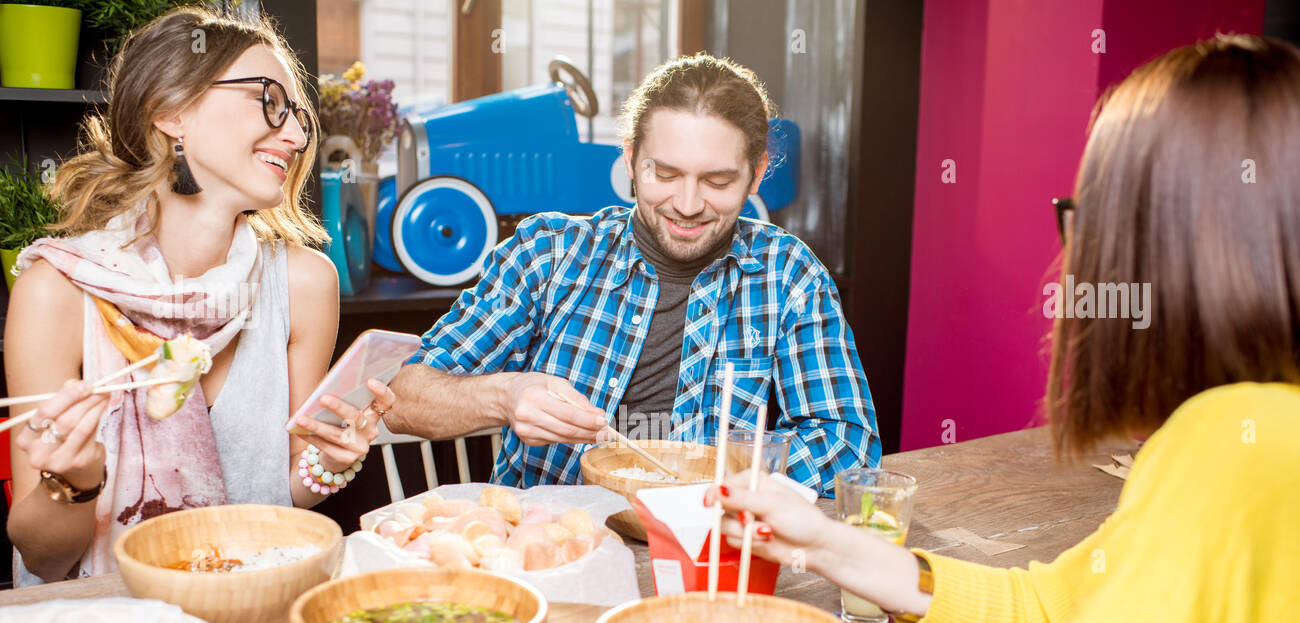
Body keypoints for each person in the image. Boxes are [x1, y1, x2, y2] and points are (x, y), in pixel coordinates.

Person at [708, 35, 1300, 623]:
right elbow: (1056, 608)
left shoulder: (1228, 449)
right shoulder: (1269, 437)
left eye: (1086, 214)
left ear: (1164, 244)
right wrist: (832, 544)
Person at [4, 8, 393, 586]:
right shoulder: (58, 290)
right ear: (171, 112)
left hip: (252, 605)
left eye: (299, 116)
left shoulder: (305, 284)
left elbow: (280, 492)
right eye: (269, 100)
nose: (295, 135)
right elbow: (45, 560)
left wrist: (328, 462)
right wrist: (76, 482)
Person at [387, 54, 879, 494]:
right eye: (664, 174)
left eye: (718, 180)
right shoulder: (549, 253)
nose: (687, 206)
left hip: (709, 554)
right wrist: (505, 394)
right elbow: (404, 397)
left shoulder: (788, 274)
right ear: (629, 157)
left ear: (756, 172)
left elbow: (848, 447)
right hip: (556, 552)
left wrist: (712, 482)